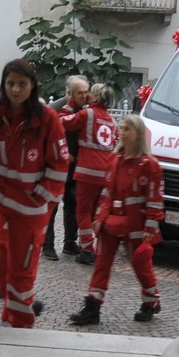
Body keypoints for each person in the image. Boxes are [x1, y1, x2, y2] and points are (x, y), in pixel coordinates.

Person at [0, 59, 69, 327]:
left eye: (21, 84)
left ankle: (19, 320)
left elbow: (59, 163)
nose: (15, 89)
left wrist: (43, 194)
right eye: (10, 83)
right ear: (4, 84)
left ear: (32, 85)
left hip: (29, 205)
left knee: (23, 270)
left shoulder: (47, 120)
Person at [67, 114, 164, 326]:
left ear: (138, 133)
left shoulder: (150, 165)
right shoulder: (114, 159)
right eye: (121, 128)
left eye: (127, 128)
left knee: (141, 265)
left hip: (136, 225)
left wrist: (150, 225)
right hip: (111, 222)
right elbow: (108, 191)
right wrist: (99, 219)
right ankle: (92, 307)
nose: (121, 132)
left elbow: (155, 197)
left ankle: (150, 301)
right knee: (102, 264)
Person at [59, 83, 119, 265]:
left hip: (87, 172)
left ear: (96, 97)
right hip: (105, 174)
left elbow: (63, 121)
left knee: (83, 212)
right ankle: (102, 248)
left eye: (90, 93)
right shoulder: (112, 121)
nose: (88, 96)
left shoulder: (87, 114)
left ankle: (86, 250)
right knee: (95, 213)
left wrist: (69, 103)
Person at [41, 75, 89, 261]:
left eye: (86, 92)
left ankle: (70, 242)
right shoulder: (54, 110)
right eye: (80, 93)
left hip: (76, 166)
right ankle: (47, 245)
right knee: (51, 207)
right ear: (69, 93)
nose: (84, 96)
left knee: (73, 203)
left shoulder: (86, 109)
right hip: (55, 166)